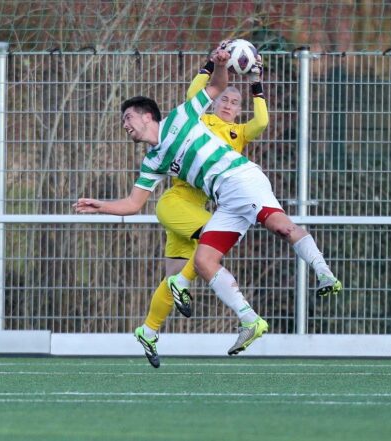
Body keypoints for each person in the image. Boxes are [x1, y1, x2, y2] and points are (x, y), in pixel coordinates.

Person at [75, 48, 342, 364]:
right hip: (224, 199)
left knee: (281, 227)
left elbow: (216, 86)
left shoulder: (181, 116)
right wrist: (101, 206)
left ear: (147, 115)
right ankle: (249, 320)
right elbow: (134, 204)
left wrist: (219, 64)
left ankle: (325, 274)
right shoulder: (153, 161)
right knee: (203, 260)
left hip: (240, 179)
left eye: (128, 118)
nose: (125, 125)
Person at [128, 46, 270, 368]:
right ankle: (232, 311)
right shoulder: (201, 119)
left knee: (175, 276)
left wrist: (256, 81)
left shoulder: (238, 134)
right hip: (179, 201)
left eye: (235, 102)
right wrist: (212, 63)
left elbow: (261, 121)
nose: (229, 105)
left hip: (195, 208)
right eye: (224, 100)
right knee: (209, 246)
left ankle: (148, 331)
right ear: (215, 102)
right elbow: (196, 92)